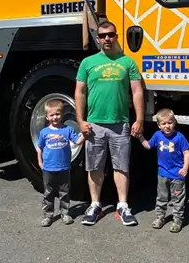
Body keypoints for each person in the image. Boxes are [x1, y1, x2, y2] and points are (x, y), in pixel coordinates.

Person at [74, 20, 145, 227]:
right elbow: (79, 92)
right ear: (98, 39)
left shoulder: (128, 62)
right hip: (94, 125)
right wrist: (80, 120)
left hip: (120, 123)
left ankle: (122, 206)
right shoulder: (88, 63)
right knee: (94, 166)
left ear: (116, 36)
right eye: (103, 35)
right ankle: (95, 205)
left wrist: (139, 119)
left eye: (111, 34)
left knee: (121, 167)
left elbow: (137, 92)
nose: (107, 38)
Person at [137, 108, 189, 233]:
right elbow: (148, 145)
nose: (167, 126)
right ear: (159, 125)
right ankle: (160, 217)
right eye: (164, 124)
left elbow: (186, 152)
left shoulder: (179, 137)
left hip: (177, 175)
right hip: (162, 174)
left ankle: (177, 220)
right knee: (161, 197)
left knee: (178, 199)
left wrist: (185, 168)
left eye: (170, 123)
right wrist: (140, 137)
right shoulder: (157, 135)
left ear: (174, 123)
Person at [36, 99, 84, 227]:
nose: (55, 117)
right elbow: (39, 148)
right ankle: (48, 215)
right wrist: (40, 162)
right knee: (48, 192)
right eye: (51, 115)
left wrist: (85, 134)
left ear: (62, 115)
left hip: (64, 167)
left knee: (64, 191)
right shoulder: (44, 132)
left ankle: (65, 212)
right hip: (48, 167)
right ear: (47, 117)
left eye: (57, 114)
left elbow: (77, 141)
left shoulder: (67, 130)